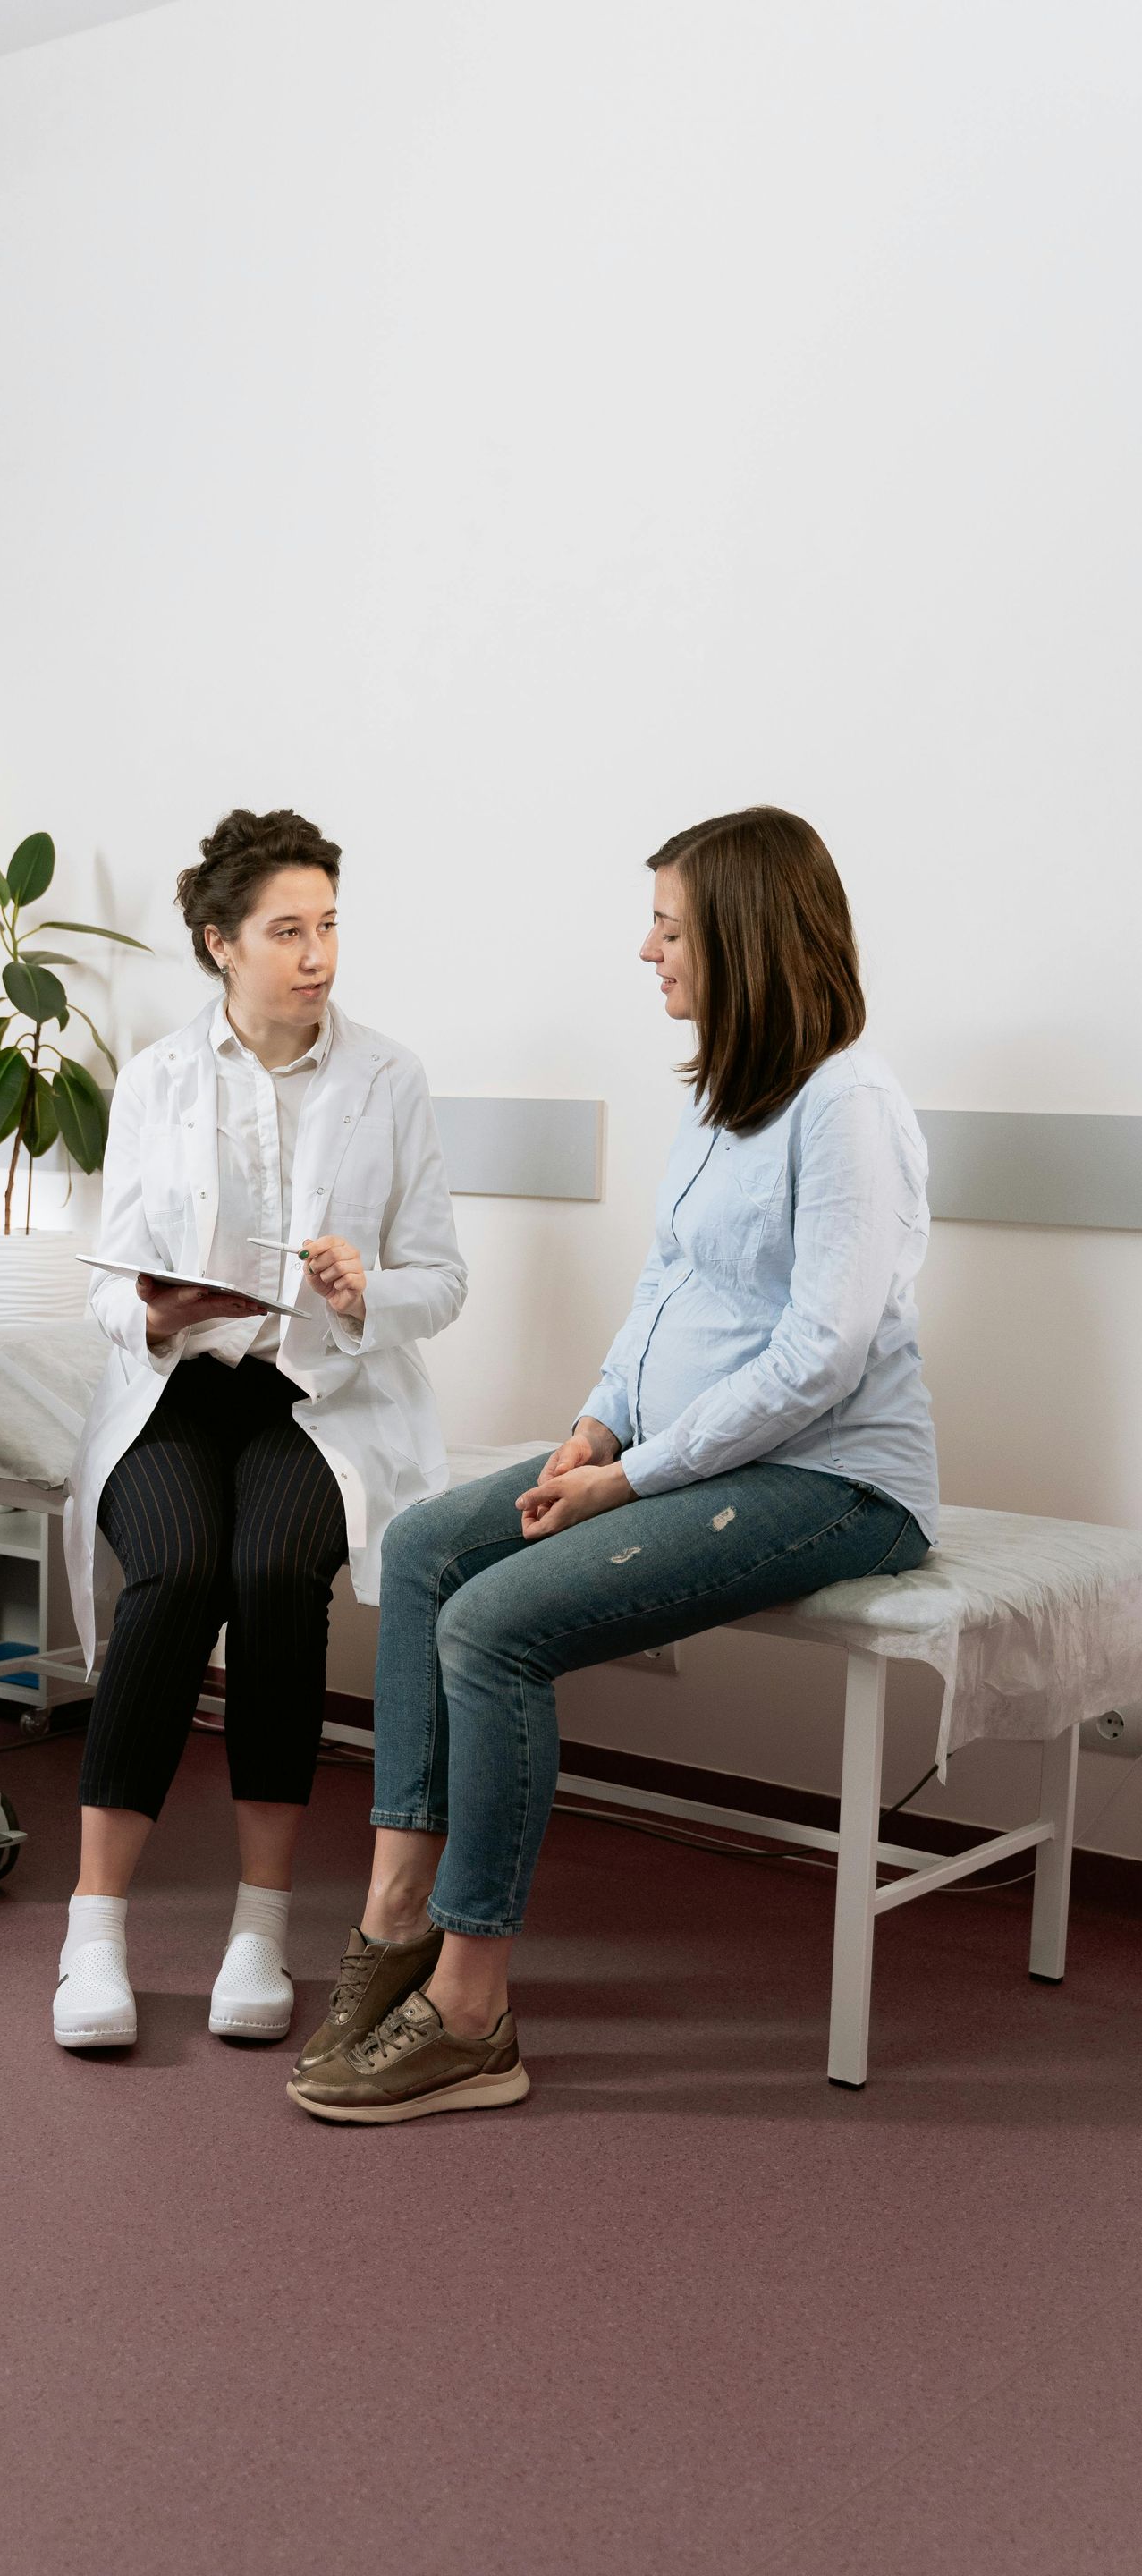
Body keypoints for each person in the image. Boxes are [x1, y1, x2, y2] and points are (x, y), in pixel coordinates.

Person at [288, 806, 939, 2124]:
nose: (646, 950)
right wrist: (596, 1423)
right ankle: (396, 1919)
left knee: (493, 1627)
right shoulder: (722, 1098)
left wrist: (633, 1480)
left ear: (745, 940)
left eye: (670, 926)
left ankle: (473, 2013)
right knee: (423, 1548)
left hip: (837, 1483)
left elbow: (820, 1358)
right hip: (685, 1454)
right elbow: (665, 1293)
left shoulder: (848, 1105)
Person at [56, 808, 467, 2051]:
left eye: (329, 925)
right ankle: (94, 1929)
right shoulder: (160, 1079)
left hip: (318, 1395)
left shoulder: (389, 1079)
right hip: (181, 1385)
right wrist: (151, 1306)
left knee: (275, 1574)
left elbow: (440, 1281)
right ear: (218, 943)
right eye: (287, 930)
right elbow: (99, 1282)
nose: (318, 953)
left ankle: (259, 1924)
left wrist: (364, 1291)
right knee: (177, 1574)